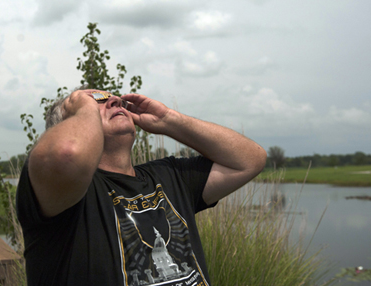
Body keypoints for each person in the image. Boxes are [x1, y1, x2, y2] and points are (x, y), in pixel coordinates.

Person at [16, 88, 267, 286]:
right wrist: (84, 106)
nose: (114, 99)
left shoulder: (169, 176)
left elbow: (249, 160)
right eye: (97, 99)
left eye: (112, 96)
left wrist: (169, 120)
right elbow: (67, 154)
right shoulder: (62, 190)